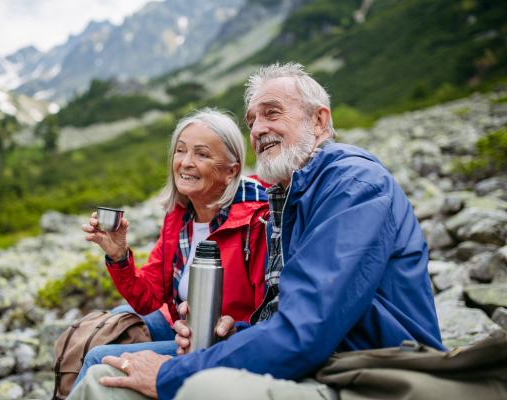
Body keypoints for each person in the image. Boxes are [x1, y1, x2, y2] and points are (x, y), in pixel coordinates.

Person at [68, 62, 445, 400]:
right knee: (107, 368)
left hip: (375, 371)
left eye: (272, 113)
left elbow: (305, 329)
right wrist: (237, 332)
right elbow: (284, 313)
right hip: (316, 359)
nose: (259, 128)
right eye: (252, 121)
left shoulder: (350, 183)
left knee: (152, 381)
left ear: (319, 121)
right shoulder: (285, 196)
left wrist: (172, 372)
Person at [73, 108, 269, 391]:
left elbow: (269, 317)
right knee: (110, 324)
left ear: (231, 171)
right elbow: (149, 299)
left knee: (98, 358)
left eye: (202, 154)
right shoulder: (180, 215)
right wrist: (118, 254)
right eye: (180, 150)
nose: (186, 162)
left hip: (224, 345)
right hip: (183, 327)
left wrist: (230, 331)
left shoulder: (257, 222)